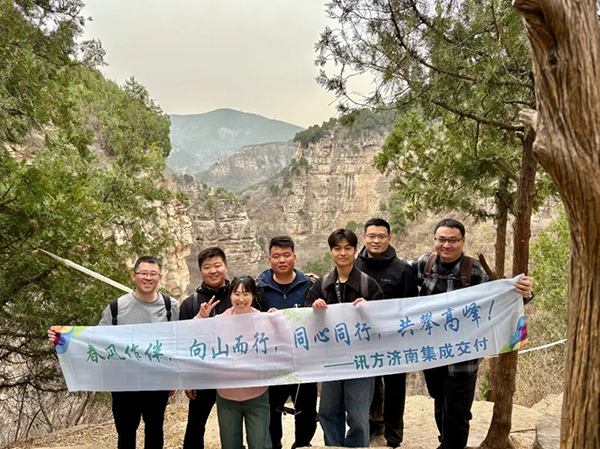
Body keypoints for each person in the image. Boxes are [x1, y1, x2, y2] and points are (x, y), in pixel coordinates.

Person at [410, 218, 533, 449]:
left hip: (463, 355)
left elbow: (502, 296)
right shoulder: (425, 264)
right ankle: (445, 442)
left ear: (463, 241)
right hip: (432, 352)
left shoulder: (473, 270)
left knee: (458, 410)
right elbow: (397, 274)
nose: (447, 245)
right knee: (440, 400)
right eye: (441, 239)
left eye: (453, 240)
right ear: (435, 240)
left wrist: (525, 293)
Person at [48, 255, 180, 449]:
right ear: (133, 275)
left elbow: (176, 341)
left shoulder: (171, 306)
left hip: (156, 381)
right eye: (143, 273)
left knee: (155, 431)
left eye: (153, 274)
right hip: (123, 382)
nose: (148, 278)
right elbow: (95, 340)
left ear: (160, 277)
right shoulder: (116, 308)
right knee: (125, 434)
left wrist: (174, 377)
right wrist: (62, 337)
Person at [305, 228, 384, 447]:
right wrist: (314, 310)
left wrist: (370, 309)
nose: (343, 253)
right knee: (328, 411)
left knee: (358, 415)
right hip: (331, 359)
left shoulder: (368, 285)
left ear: (356, 251)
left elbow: (383, 321)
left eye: (348, 248)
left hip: (361, 361)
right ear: (331, 251)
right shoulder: (321, 285)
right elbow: (305, 322)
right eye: (337, 248)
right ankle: (334, 445)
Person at [354, 218, 418, 448]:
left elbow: (412, 304)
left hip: (394, 339)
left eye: (381, 236)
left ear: (389, 239)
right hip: (363, 339)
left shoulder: (402, 269)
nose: (376, 240)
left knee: (394, 388)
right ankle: (372, 425)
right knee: (368, 385)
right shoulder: (354, 266)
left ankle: (393, 434)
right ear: (364, 238)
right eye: (371, 236)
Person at [256, 236, 318, 449]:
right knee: (271, 409)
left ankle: (302, 443)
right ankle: (275, 445)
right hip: (272, 362)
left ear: (294, 257)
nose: (281, 260)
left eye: (286, 255)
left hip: (304, 362)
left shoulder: (310, 285)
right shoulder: (258, 288)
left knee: (307, 410)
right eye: (276, 256)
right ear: (269, 259)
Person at [197, 276, 271, 449]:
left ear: (253, 295)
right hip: (227, 397)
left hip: (257, 395)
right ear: (230, 295)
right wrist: (201, 317)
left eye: (246, 293)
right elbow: (194, 338)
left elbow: (282, 344)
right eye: (236, 293)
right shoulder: (219, 321)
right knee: (230, 445)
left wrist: (277, 319)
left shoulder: (263, 320)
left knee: (259, 444)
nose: (241, 299)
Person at [179, 247, 231, 449]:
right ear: (200, 271)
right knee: (195, 424)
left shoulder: (239, 296)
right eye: (207, 267)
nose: (213, 271)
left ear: (225, 266)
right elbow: (183, 344)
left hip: (234, 374)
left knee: (236, 423)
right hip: (202, 375)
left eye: (217, 265)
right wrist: (188, 378)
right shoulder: (190, 303)